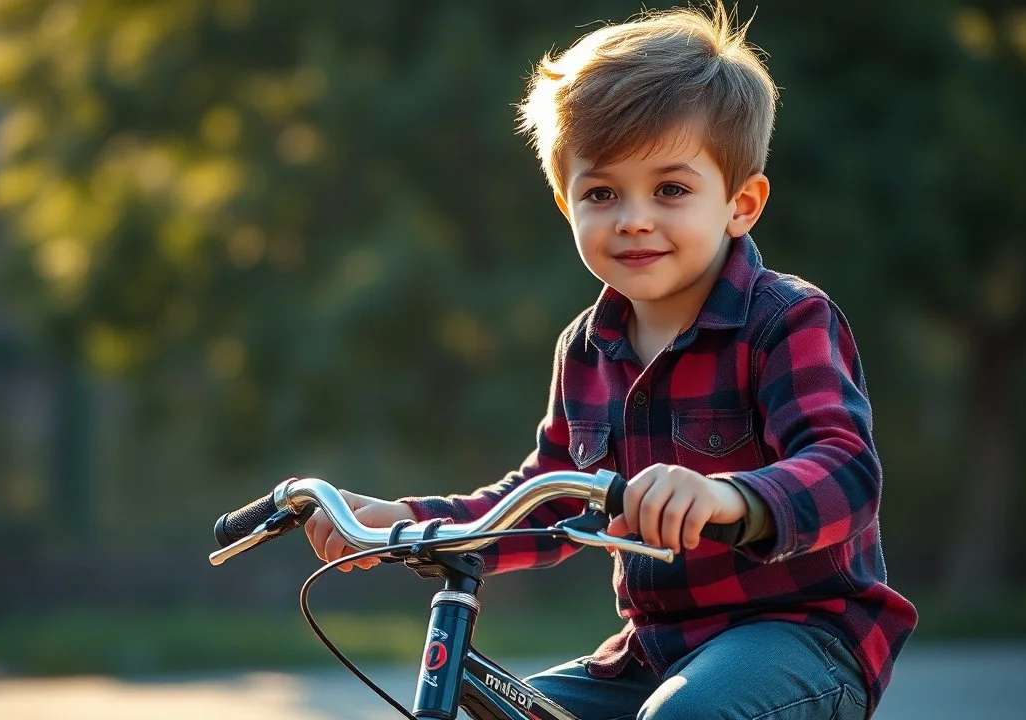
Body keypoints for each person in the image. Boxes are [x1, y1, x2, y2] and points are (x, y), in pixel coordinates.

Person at [304, 4, 917, 718]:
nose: (633, 217)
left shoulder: (784, 320)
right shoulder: (587, 348)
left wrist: (730, 498)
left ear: (741, 204)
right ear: (567, 205)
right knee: (514, 712)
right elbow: (546, 496)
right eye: (601, 193)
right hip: (655, 649)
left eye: (671, 189)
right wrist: (407, 519)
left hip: (800, 638)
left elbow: (846, 470)